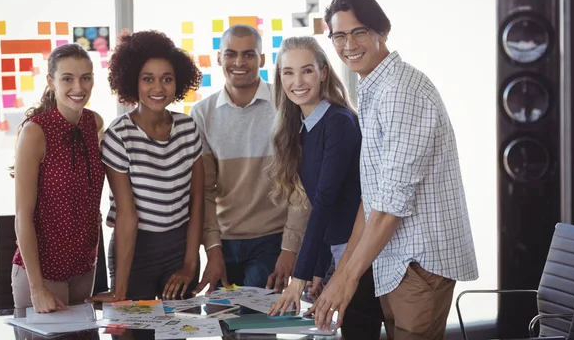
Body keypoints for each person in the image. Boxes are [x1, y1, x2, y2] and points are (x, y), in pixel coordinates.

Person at [308, 0, 479, 339]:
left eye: (359, 32)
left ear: (382, 32)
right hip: (394, 261)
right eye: (339, 36)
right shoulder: (375, 87)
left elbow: (390, 206)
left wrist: (349, 279)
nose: (349, 44)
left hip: (418, 261)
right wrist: (341, 276)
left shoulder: (400, 91)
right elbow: (372, 198)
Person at [266, 36, 383, 339]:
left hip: (360, 256)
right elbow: (320, 209)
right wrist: (318, 270)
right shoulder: (303, 127)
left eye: (306, 70)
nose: (297, 81)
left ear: (323, 73)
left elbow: (326, 202)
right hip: (337, 253)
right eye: (288, 72)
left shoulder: (338, 122)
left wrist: (299, 277)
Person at [190, 25, 308, 295]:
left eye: (248, 55)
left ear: (262, 60)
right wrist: (212, 248)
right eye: (231, 54)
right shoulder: (202, 114)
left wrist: (290, 247)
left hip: (272, 240)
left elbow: (301, 182)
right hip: (224, 241)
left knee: (256, 329)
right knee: (226, 327)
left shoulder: (287, 104)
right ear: (219, 58)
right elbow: (204, 191)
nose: (239, 63)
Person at [87, 30, 204, 302]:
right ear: (132, 82)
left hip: (180, 249)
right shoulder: (119, 136)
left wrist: (189, 264)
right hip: (135, 252)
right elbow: (127, 216)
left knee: (180, 331)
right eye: (147, 79)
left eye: (167, 79)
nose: (158, 88)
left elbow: (197, 200)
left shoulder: (188, 128)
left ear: (178, 83)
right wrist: (120, 290)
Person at [11, 43, 106, 312]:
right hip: (43, 274)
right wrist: (37, 289)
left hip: (84, 268)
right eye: (68, 78)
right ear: (51, 82)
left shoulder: (95, 123)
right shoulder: (35, 132)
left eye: (85, 78)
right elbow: (22, 216)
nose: (78, 87)